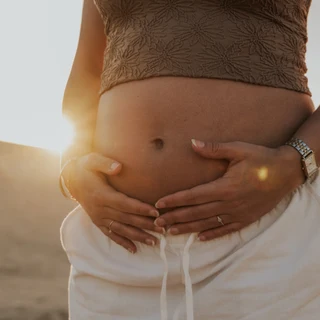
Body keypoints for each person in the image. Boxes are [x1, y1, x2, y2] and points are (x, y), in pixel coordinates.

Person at [60, 1, 320, 319]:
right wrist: (70, 166)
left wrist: (295, 162)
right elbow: (88, 71)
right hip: (119, 245)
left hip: (268, 237)